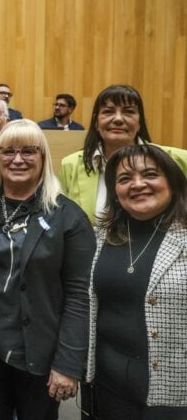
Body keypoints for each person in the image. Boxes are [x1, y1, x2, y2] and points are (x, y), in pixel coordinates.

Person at [0, 119, 95, 420]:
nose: (17, 159)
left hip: (40, 353)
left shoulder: (68, 217)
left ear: (43, 157)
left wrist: (67, 364)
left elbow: (80, 296)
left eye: (29, 151)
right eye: (8, 151)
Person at [87, 144, 187, 419]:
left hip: (175, 392)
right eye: (124, 179)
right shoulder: (99, 236)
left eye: (150, 174)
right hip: (108, 388)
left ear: (173, 182)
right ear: (115, 193)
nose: (137, 184)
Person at [59, 84, 187, 220]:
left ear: (139, 123)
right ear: (96, 122)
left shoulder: (178, 159)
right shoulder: (70, 165)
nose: (118, 119)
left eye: (129, 112)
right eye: (108, 112)